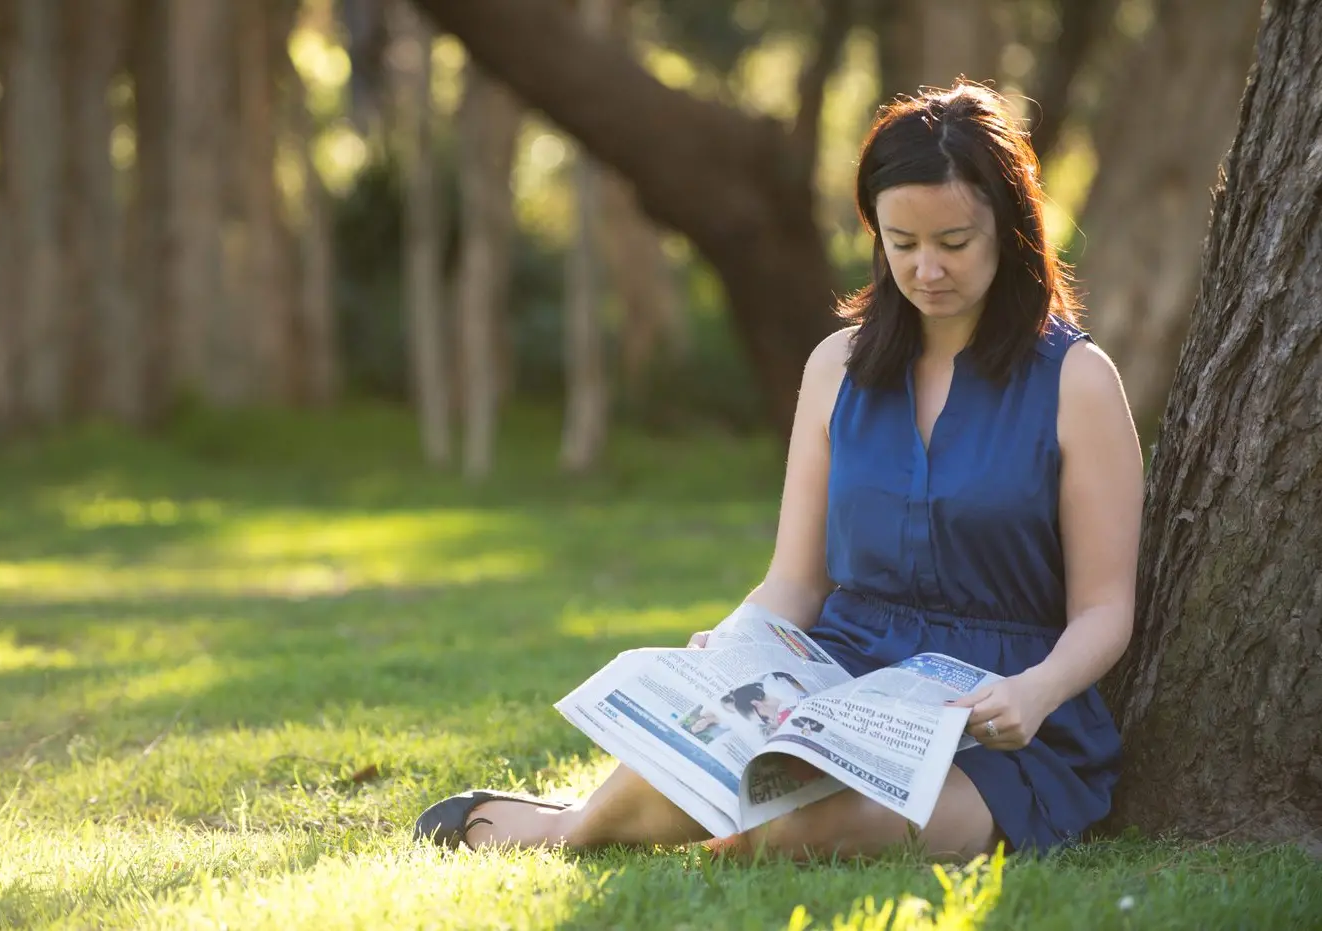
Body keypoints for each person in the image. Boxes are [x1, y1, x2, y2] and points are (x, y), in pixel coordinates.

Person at [413, 82, 1143, 861]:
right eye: (902, 243)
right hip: (840, 681)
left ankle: (663, 837)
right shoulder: (838, 366)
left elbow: (1104, 608)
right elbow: (795, 581)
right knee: (699, 763)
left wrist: (1035, 690)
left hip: (1001, 721)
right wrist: (733, 646)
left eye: (954, 242)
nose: (927, 268)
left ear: (1010, 226)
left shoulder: (1078, 381)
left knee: (811, 829)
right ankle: (566, 829)